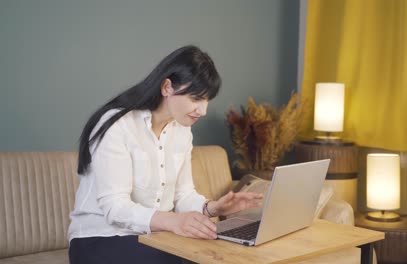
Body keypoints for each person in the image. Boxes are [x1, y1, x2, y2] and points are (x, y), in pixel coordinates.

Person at [68, 45, 262, 264]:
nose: (203, 110)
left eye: (207, 100)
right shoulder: (117, 124)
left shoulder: (182, 130)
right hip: (99, 238)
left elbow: (183, 195)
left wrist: (212, 207)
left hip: (154, 237)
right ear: (167, 87)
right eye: (196, 98)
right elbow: (115, 207)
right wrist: (173, 221)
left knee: (223, 253)